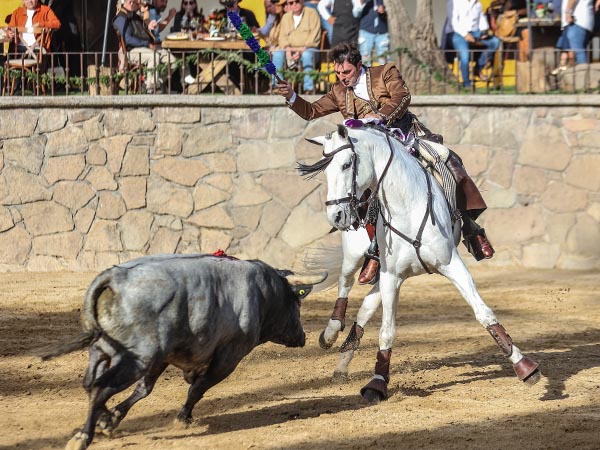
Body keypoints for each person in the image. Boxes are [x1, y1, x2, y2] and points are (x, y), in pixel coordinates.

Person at [277, 41, 495, 283]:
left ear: (359, 65)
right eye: (338, 73)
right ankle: (375, 251)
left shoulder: (385, 72)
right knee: (358, 195)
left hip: (407, 139)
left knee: (448, 162)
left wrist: (380, 116)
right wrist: (291, 96)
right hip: (373, 153)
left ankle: (469, 228)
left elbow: (403, 96)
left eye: (346, 72)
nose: (342, 78)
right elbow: (310, 111)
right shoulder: (338, 90)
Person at [113, 0, 173, 94]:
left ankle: (150, 83)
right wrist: (147, 44)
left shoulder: (135, 16)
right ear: (130, 2)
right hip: (130, 52)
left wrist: (149, 27)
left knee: (172, 59)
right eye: (138, 3)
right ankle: (151, 88)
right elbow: (128, 39)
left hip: (145, 48)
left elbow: (142, 31)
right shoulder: (121, 18)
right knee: (154, 56)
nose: (140, 5)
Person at [445, 0, 500, 87]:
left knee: (494, 41)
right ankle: (466, 82)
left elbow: (482, 19)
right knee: (465, 56)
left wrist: (484, 31)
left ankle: (478, 67)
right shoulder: (456, 2)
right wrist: (465, 35)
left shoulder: (478, 4)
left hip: (475, 32)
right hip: (459, 33)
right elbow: (454, 22)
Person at [272, 0, 321, 92]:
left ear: (302, 1)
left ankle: (308, 88)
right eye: (291, 3)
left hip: (308, 48)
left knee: (307, 54)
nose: (294, 4)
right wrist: (287, 49)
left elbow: (315, 36)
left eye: (297, 1)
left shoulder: (312, 13)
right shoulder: (286, 17)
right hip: (290, 49)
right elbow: (282, 37)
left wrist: (301, 50)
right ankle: (278, 86)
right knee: (277, 54)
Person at [551, 0, 597, 75]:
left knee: (578, 51)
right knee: (568, 49)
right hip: (578, 21)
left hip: (577, 21)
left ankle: (584, 77)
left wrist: (568, 12)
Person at [357, 0, 389, 66]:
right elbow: (355, 12)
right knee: (365, 62)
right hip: (366, 31)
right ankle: (366, 76)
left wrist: (384, 10)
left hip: (382, 31)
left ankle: (385, 76)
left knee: (385, 61)